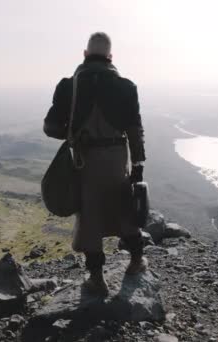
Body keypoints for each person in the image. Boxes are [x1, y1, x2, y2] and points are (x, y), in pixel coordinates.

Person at [43, 32, 147, 296]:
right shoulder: (126, 86)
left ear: (85, 54)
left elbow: (51, 128)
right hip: (116, 158)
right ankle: (136, 261)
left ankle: (97, 279)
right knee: (124, 206)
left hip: (83, 160)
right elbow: (135, 129)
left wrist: (73, 130)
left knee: (89, 214)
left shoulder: (68, 86)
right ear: (111, 57)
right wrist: (138, 164)